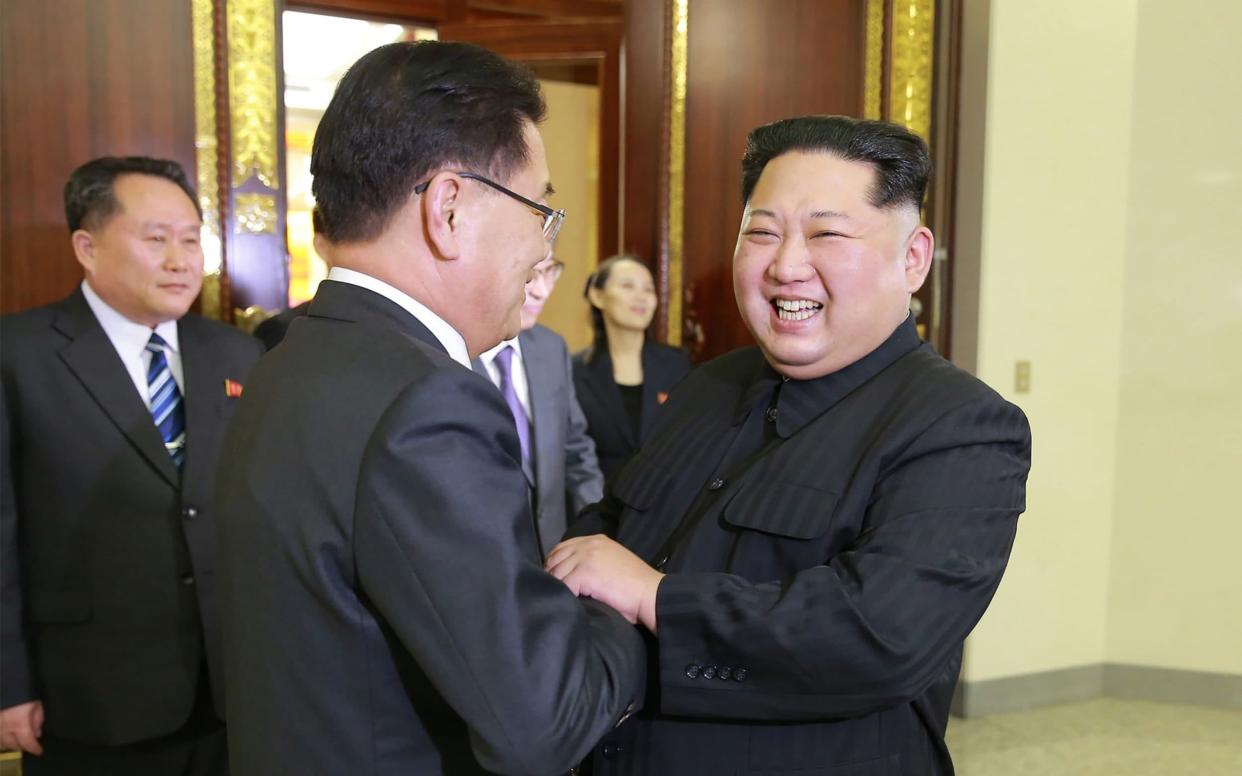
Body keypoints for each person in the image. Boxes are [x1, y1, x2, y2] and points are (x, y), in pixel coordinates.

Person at [546, 115, 1033, 775]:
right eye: (763, 233)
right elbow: (613, 532)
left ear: (913, 258)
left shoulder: (961, 426)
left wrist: (655, 597)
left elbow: (878, 635)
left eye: (827, 233)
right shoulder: (710, 384)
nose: (786, 266)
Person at [214, 41, 645, 776]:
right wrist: (621, 601)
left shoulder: (292, 358)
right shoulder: (426, 402)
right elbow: (543, 717)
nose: (546, 251)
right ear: (448, 208)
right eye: (541, 209)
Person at [0, 156, 263, 775]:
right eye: (156, 240)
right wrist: (8, 682)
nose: (181, 260)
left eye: (192, 240)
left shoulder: (235, 354)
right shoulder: (18, 357)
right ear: (87, 248)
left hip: (230, 693)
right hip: (89, 696)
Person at [474, 252, 605, 556]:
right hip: (482, 557)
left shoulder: (551, 348)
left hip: (551, 552)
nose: (541, 290)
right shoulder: (448, 351)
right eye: (530, 272)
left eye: (550, 272)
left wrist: (598, 532)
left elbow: (576, 451)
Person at [572, 254, 690, 480]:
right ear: (597, 296)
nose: (641, 297)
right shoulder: (573, 371)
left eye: (648, 289)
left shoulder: (677, 364)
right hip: (597, 504)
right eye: (628, 286)